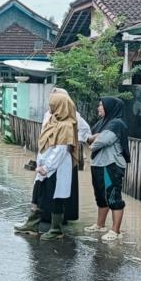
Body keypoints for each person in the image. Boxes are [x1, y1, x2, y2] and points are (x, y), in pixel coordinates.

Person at [15, 90, 78, 241]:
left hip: (57, 167)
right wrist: (41, 163)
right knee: (39, 194)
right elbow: (45, 144)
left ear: (60, 106)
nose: (50, 107)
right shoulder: (53, 120)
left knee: (55, 197)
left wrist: (47, 166)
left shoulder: (66, 125)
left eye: (53, 105)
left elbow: (61, 150)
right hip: (46, 165)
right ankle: (32, 225)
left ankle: (56, 230)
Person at [39, 87, 91, 224]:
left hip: (61, 159)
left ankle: (59, 221)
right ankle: (46, 217)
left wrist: (72, 140)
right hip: (48, 158)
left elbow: (85, 131)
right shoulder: (48, 114)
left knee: (61, 190)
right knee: (47, 188)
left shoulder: (72, 116)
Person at [87, 97, 131, 241]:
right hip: (98, 164)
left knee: (113, 196)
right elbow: (88, 138)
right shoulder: (102, 123)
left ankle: (115, 231)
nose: (98, 108)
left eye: (101, 105)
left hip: (110, 165)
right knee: (100, 195)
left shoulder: (116, 124)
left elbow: (99, 142)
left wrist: (94, 140)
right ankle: (100, 225)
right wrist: (95, 138)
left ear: (110, 107)